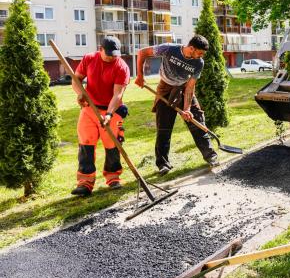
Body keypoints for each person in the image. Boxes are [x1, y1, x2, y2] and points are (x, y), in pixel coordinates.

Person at [135, 35, 219, 176]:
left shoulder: (199, 63)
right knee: (164, 127)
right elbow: (142, 52)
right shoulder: (168, 48)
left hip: (183, 88)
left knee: (196, 120)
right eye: (200, 53)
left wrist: (186, 109)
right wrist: (140, 76)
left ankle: (211, 156)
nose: (201, 56)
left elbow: (190, 87)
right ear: (191, 48)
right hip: (165, 88)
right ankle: (163, 164)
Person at [71, 36, 130, 197]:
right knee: (86, 144)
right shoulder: (89, 59)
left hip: (111, 109)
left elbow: (118, 95)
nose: (112, 57)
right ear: (100, 49)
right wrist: (80, 94)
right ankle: (85, 183)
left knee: (112, 144)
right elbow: (76, 79)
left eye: (115, 54)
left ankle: (113, 178)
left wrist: (109, 114)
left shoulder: (122, 67)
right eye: (108, 53)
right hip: (89, 108)